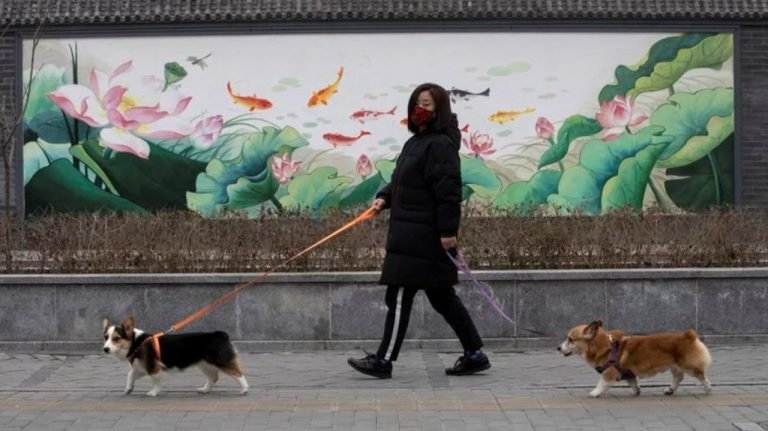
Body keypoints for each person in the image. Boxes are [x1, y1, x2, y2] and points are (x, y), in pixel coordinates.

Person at [347, 83, 490, 379]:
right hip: (412, 234)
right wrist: (384, 197)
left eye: (426, 104)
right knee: (442, 296)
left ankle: (383, 360)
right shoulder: (416, 142)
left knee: (399, 296)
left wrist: (448, 232)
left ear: (439, 109)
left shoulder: (440, 145)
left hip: (422, 238)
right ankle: (474, 354)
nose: (419, 109)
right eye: (417, 104)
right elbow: (403, 180)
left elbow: (448, 192)